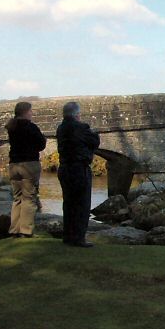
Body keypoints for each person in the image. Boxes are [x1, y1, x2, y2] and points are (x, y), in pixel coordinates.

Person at [56, 101, 100, 247]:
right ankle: (79, 237)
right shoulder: (80, 128)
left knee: (68, 203)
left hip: (64, 168)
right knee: (82, 204)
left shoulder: (61, 129)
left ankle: (68, 235)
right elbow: (95, 141)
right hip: (79, 168)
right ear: (77, 115)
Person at [5, 102, 46, 238]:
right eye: (30, 111)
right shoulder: (31, 127)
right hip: (29, 165)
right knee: (29, 198)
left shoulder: (11, 127)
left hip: (13, 165)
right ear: (25, 112)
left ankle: (14, 230)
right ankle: (26, 231)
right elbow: (41, 144)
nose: (32, 113)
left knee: (17, 198)